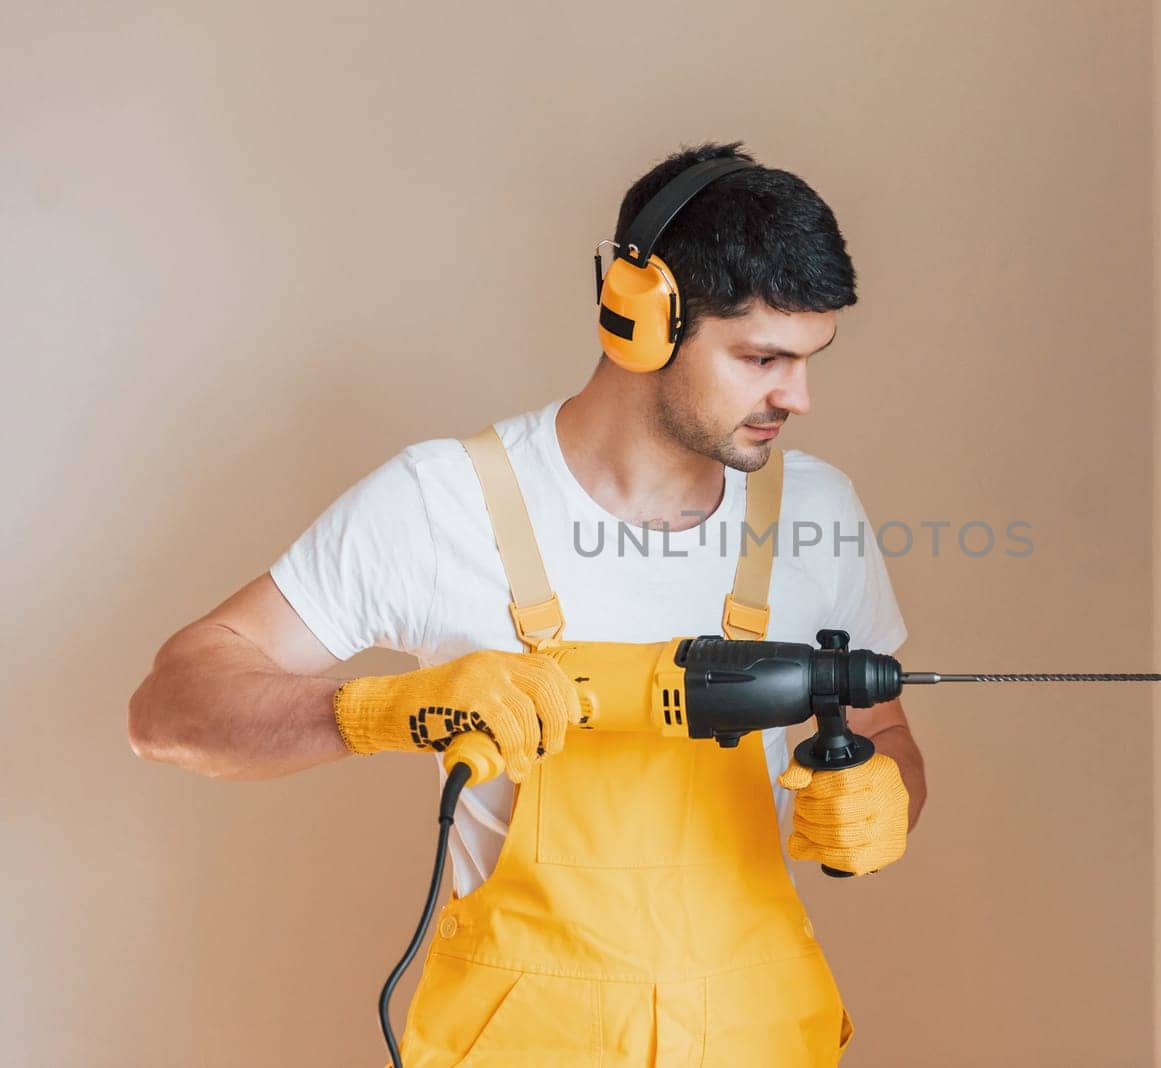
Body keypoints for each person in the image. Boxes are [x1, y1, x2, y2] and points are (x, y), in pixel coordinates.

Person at [128, 140, 927, 1065]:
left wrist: (886, 799)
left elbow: (890, 738)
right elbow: (170, 709)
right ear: (643, 320)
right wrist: (384, 710)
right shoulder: (444, 502)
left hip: (763, 1037)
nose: (799, 396)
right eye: (761, 359)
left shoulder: (817, 511)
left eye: (808, 359)